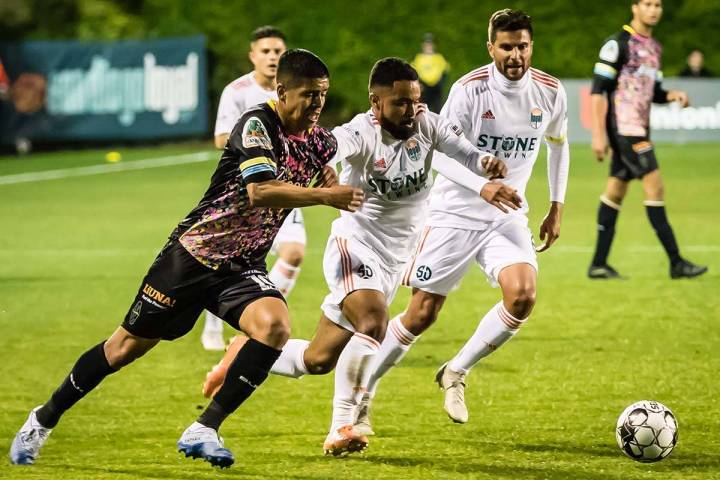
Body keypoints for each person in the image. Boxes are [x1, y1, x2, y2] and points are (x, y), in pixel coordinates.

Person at [9, 49, 364, 469]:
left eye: (323, 95)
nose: (317, 105)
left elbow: (325, 169)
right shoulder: (256, 124)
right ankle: (42, 419)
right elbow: (260, 191)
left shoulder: (318, 138)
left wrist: (330, 180)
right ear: (282, 91)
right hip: (192, 257)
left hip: (242, 265)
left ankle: (204, 428)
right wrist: (325, 195)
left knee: (274, 327)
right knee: (122, 349)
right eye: (308, 95)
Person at [201, 57, 519, 455]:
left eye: (415, 101)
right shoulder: (360, 133)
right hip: (354, 248)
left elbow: (463, 152)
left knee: (317, 360)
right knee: (374, 321)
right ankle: (342, 427)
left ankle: (240, 353)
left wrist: (485, 164)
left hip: (392, 260)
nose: (411, 110)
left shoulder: (427, 123)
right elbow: (329, 149)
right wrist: (327, 174)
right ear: (375, 102)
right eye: (400, 103)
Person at [348, 8, 570, 430]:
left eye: (522, 46)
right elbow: (438, 155)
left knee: (522, 295)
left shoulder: (550, 91)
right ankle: (361, 394)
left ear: (531, 46)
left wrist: (556, 204)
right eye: (506, 47)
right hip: (453, 213)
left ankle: (456, 371)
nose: (515, 55)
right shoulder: (471, 90)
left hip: (505, 216)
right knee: (421, 314)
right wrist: (482, 186)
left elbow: (559, 144)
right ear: (491, 48)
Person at [202, 26, 308, 350]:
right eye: (265, 51)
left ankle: (258, 313)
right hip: (245, 192)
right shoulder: (237, 92)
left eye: (277, 51)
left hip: (283, 188)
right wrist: (257, 138)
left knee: (294, 251)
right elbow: (221, 138)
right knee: (228, 258)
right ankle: (214, 324)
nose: (272, 56)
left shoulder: (293, 90)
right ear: (253, 55)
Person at [588, 0, 707, 279]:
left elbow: (654, 92)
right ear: (635, 7)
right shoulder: (617, 44)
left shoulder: (654, 48)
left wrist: (672, 95)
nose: (654, 10)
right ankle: (676, 262)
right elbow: (597, 91)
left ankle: (598, 264)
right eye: (648, 4)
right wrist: (598, 134)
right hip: (625, 131)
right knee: (655, 186)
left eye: (658, 5)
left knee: (615, 192)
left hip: (639, 130)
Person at [411, 33, 450, 113]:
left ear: (434, 45)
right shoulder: (418, 58)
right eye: (426, 44)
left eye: (430, 44)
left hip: (436, 89)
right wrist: (418, 84)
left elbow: (445, 72)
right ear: (423, 45)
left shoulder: (439, 58)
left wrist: (440, 84)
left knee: (438, 111)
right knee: (422, 110)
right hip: (423, 89)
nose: (428, 46)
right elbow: (413, 73)